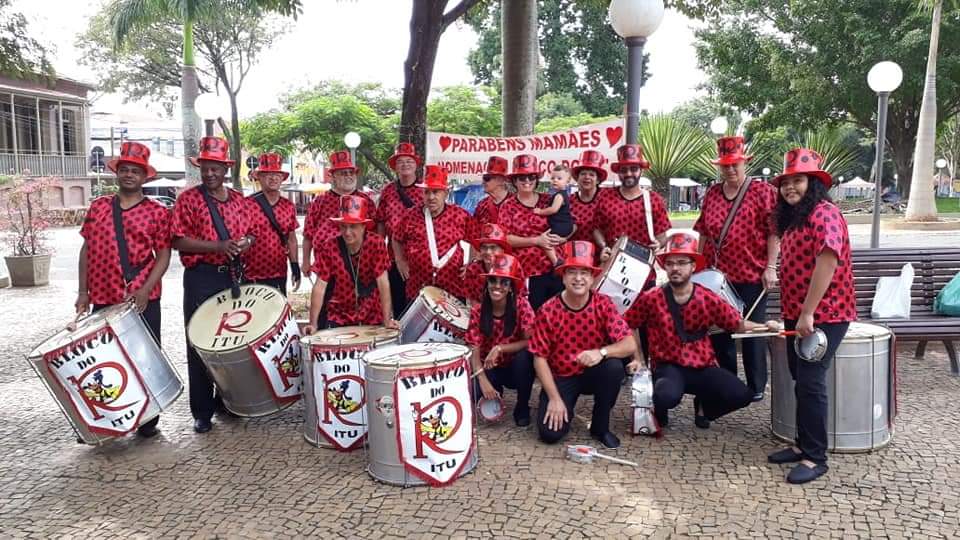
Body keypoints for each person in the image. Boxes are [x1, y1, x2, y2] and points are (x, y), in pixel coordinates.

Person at [766, 148, 855, 485]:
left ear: (813, 184)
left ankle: (815, 457)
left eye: (798, 180)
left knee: (811, 382)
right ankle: (802, 444)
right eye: (785, 182)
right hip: (798, 313)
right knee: (800, 378)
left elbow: (828, 261)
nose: (790, 187)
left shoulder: (824, 213)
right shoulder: (796, 218)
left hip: (824, 315)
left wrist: (807, 313)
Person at [624, 231, 770, 431]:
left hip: (702, 365)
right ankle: (658, 408)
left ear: (693, 266)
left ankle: (703, 408)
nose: (675, 268)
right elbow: (629, 323)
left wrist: (766, 326)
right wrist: (639, 359)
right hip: (668, 366)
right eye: (670, 263)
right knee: (665, 395)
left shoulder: (707, 297)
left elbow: (737, 323)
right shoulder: (651, 298)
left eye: (682, 262)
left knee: (742, 395)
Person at [75, 141, 171, 439]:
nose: (129, 175)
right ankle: (108, 417)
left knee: (145, 357)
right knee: (103, 359)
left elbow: (164, 255)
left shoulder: (157, 212)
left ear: (145, 177)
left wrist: (146, 289)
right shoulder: (99, 207)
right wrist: (82, 291)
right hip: (103, 295)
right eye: (125, 169)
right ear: (117, 173)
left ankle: (148, 418)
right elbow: (86, 248)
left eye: (136, 171)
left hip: (140, 298)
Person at [171, 136, 257, 434]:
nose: (209, 174)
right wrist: (218, 246)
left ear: (225, 170)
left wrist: (245, 243)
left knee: (231, 342)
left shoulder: (239, 201)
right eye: (205, 168)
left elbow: (252, 233)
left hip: (232, 277)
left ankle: (227, 401)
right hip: (201, 277)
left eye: (215, 169)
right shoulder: (188, 199)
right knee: (199, 342)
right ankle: (202, 410)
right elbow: (178, 240)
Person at [693, 136, 779, 402]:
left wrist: (771, 266)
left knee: (752, 330)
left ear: (744, 163)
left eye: (735, 164)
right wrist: (697, 264)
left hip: (751, 273)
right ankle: (728, 381)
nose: (730, 169)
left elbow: (774, 231)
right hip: (718, 276)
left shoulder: (763, 192)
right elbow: (703, 231)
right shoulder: (712, 193)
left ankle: (756, 385)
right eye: (725, 165)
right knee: (720, 331)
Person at [529, 241, 637, 449]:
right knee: (550, 434)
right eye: (572, 272)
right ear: (563, 276)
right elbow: (539, 357)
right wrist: (554, 398)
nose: (578, 278)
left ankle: (600, 426)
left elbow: (629, 343)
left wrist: (602, 352)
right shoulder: (547, 310)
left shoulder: (603, 304)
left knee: (613, 367)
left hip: (592, 372)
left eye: (584, 272)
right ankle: (557, 402)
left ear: (592, 277)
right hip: (562, 375)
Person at [303, 195, 396, 333]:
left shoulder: (376, 243)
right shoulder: (329, 246)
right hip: (339, 314)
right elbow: (320, 286)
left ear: (363, 226)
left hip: (371, 313)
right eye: (343, 226)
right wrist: (313, 324)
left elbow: (383, 282)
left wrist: (387, 319)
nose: (347, 232)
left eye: (353, 226)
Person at [465, 254, 536, 426]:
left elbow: (531, 341)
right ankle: (495, 390)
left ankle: (522, 405)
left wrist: (500, 348)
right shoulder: (478, 310)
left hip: (514, 367)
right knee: (474, 393)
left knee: (526, 357)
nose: (497, 286)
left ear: (511, 287)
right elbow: (473, 349)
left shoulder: (522, 305)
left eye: (504, 282)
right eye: (492, 281)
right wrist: (482, 380)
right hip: (488, 367)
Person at [393, 165, 475, 300]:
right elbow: (396, 237)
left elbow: (476, 240)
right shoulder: (410, 216)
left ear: (446, 193)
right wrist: (400, 260)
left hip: (452, 288)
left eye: (436, 192)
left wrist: (471, 264)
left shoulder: (460, 215)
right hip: (417, 288)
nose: (431, 197)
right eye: (427, 192)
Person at [499, 154, 565, 309]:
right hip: (528, 272)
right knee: (532, 314)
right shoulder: (508, 206)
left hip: (557, 269)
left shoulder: (549, 200)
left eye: (531, 177)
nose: (527, 181)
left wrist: (564, 237)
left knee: (559, 314)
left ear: (536, 180)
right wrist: (536, 240)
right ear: (515, 181)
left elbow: (569, 222)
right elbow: (504, 238)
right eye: (522, 177)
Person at [302, 150, 375, 282]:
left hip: (360, 268)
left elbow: (375, 232)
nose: (348, 176)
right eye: (343, 173)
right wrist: (306, 261)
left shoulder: (366, 200)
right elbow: (308, 235)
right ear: (333, 176)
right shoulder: (319, 201)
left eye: (351, 172)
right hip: (326, 269)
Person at [594, 144, 671, 261]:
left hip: (642, 264)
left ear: (641, 171)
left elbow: (662, 236)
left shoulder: (654, 199)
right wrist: (604, 246)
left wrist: (659, 244)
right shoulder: (605, 196)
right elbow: (596, 228)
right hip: (612, 262)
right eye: (624, 170)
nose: (629, 174)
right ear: (618, 173)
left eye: (634, 169)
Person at [376, 142, 425, 318]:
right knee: (398, 303)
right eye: (400, 161)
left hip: (420, 257)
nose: (405, 165)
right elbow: (381, 222)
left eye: (409, 161)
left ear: (416, 165)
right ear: (395, 167)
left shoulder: (425, 190)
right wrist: (379, 250)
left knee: (419, 306)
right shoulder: (388, 191)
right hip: (392, 257)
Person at [244, 152, 300, 296]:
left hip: (279, 273)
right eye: (267, 174)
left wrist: (295, 265)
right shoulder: (247, 204)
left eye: (277, 174)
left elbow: (291, 239)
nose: (273, 178)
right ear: (260, 178)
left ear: (281, 178)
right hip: (251, 275)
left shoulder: (288, 206)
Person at [462, 223, 527, 304]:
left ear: (502, 250)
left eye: (493, 247)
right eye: (484, 247)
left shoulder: (514, 266)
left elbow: (520, 297)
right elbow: (472, 299)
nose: (488, 252)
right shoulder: (472, 269)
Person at [533, 164, 575, 265]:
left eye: (559, 178)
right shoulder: (561, 194)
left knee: (545, 241)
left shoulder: (559, 196)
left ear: (567, 181)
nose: (555, 180)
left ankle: (555, 261)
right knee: (551, 241)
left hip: (562, 225)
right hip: (563, 225)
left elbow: (553, 209)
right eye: (553, 178)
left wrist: (540, 211)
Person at [568, 150, 607, 246]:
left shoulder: (606, 198)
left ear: (598, 180)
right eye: (583, 174)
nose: (587, 177)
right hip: (573, 251)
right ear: (577, 178)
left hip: (603, 252)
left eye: (591, 174)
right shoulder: (569, 201)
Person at [473, 156, 512, 226]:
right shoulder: (481, 205)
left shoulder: (516, 204)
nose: (483, 182)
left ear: (501, 180)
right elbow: (475, 229)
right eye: (483, 178)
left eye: (487, 178)